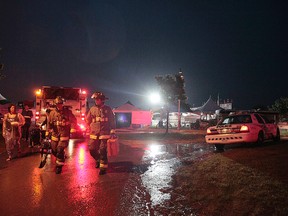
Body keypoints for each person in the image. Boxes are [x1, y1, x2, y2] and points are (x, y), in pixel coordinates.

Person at [86, 91, 116, 175]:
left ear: (102, 100)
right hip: (94, 133)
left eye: (97, 99)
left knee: (102, 150)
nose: (96, 101)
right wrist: (89, 127)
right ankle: (98, 159)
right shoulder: (92, 109)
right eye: (95, 99)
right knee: (92, 149)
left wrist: (112, 130)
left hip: (104, 132)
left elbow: (112, 120)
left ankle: (103, 168)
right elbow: (87, 120)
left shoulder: (108, 109)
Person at [46, 96, 77, 174]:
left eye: (60, 104)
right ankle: (61, 156)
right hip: (55, 134)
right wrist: (47, 132)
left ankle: (59, 166)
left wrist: (73, 129)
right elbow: (49, 123)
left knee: (59, 149)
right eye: (58, 104)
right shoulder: (52, 113)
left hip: (64, 133)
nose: (59, 105)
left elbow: (73, 121)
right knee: (54, 150)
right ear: (55, 104)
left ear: (62, 104)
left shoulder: (68, 112)